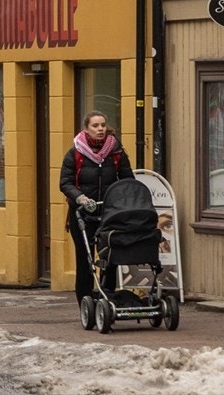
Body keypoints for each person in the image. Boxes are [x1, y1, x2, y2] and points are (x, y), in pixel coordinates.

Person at [60, 110, 134, 304]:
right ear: (86, 129)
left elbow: (127, 179)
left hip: (109, 213)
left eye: (102, 125)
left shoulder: (116, 151)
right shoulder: (75, 153)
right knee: (85, 259)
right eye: (95, 126)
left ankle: (107, 296)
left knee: (111, 256)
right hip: (82, 214)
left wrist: (120, 200)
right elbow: (65, 183)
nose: (100, 129)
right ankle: (85, 302)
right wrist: (80, 198)